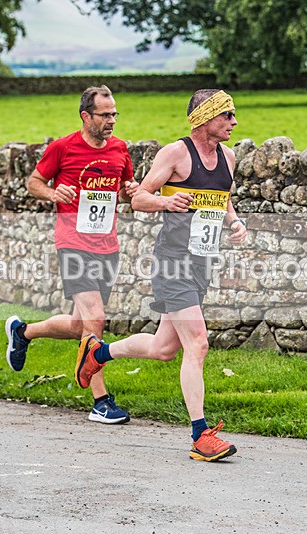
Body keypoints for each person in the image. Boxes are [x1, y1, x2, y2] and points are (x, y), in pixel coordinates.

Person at [73, 89, 247, 461]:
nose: (234, 122)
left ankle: (98, 352)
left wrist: (234, 222)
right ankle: (201, 435)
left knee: (163, 348)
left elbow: (222, 197)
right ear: (205, 117)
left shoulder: (228, 157)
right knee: (197, 343)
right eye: (227, 115)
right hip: (173, 263)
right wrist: (166, 201)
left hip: (202, 263)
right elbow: (139, 198)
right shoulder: (176, 154)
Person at [5, 85, 138, 425]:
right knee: (95, 318)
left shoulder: (120, 149)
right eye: (104, 115)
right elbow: (33, 182)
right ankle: (101, 401)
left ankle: (23, 333)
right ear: (86, 116)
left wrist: (130, 191)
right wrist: (53, 192)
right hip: (73, 242)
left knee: (81, 324)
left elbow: (123, 191)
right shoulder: (63, 148)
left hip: (107, 245)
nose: (111, 120)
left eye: (113, 114)